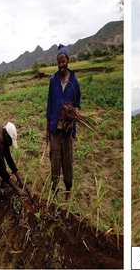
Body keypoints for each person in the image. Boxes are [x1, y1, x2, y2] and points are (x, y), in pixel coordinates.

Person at [45, 44, 81, 201]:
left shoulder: (74, 82)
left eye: (63, 61)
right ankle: (54, 192)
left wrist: (74, 114)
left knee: (68, 161)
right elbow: (49, 105)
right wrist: (47, 130)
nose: (61, 65)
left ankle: (67, 192)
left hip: (68, 131)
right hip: (54, 129)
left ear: (68, 60)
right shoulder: (53, 81)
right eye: (58, 62)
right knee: (55, 161)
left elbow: (78, 105)